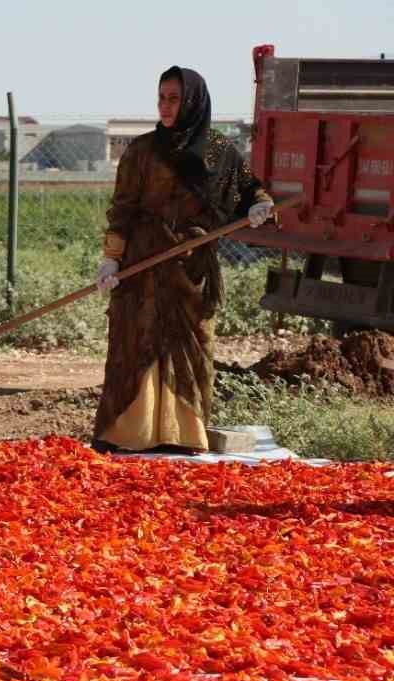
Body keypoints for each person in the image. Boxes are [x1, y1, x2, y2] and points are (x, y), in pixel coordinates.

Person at [92, 66, 273, 453]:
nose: (166, 106)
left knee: (190, 347)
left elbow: (251, 190)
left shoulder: (218, 151)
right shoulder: (142, 151)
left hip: (192, 268)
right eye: (161, 97)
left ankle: (183, 432)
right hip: (143, 263)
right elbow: (122, 209)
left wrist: (260, 206)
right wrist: (112, 259)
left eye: (174, 98)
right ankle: (130, 433)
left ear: (192, 101)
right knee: (136, 341)